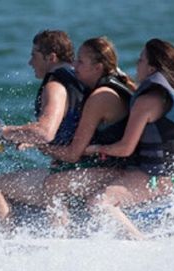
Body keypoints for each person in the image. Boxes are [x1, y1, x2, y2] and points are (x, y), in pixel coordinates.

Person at [46, 38, 174, 240]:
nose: (136, 64)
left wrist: (95, 149)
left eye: (141, 60)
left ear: (151, 68)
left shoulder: (147, 102)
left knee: (99, 203)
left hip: (166, 179)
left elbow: (124, 149)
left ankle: (140, 244)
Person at [0, 29, 87, 225]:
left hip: (70, 174)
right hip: (84, 169)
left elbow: (45, 132)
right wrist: (27, 140)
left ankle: (4, 246)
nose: (30, 63)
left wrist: (2, 130)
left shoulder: (55, 85)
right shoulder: (77, 78)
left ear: (51, 57)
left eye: (34, 55)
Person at [35, 37, 137, 230]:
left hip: (119, 170)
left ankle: (60, 238)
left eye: (80, 61)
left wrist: (40, 146)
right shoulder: (112, 85)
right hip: (119, 165)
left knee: (53, 183)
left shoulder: (100, 98)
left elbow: (73, 154)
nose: (74, 65)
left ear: (97, 68)